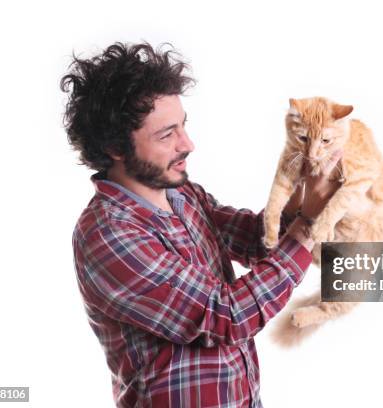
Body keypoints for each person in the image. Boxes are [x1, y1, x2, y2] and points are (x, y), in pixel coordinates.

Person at [62, 42, 341, 408]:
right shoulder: (107, 235)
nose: (188, 144)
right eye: (166, 135)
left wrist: (305, 192)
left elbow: (258, 241)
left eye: (183, 126)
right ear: (116, 146)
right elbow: (228, 314)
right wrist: (307, 227)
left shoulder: (184, 194)